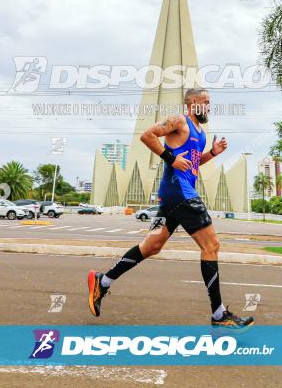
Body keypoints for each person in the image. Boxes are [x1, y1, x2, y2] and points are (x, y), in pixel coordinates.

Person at [87, 88, 254, 329]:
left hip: (172, 198)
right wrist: (170, 158)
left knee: (151, 246)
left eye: (209, 103)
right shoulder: (179, 121)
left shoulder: (200, 133)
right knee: (211, 246)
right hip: (182, 194)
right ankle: (219, 315)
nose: (209, 106)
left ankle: (103, 282)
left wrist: (212, 154)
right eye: (206, 102)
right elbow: (147, 135)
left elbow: (193, 164)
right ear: (193, 102)